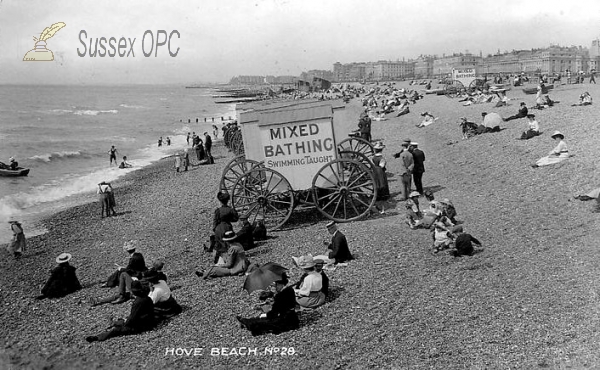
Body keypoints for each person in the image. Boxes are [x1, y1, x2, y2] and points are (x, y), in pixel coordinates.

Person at [85, 280, 155, 343]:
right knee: (123, 320)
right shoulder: (146, 297)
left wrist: (126, 323)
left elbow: (133, 318)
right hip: (148, 321)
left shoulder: (138, 301)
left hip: (143, 326)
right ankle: (115, 323)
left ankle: (98, 337)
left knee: (117, 330)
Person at [92, 241, 148, 305]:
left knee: (122, 274)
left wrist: (121, 268)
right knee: (120, 273)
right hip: (139, 282)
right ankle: (100, 299)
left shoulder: (133, 259)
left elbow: (129, 270)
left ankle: (108, 289)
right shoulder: (139, 255)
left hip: (137, 283)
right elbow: (131, 269)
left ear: (127, 251)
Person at [211, 191, 239, 263]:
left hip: (218, 228)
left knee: (218, 244)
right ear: (227, 201)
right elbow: (236, 219)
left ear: (221, 202)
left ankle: (217, 259)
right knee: (228, 244)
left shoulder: (218, 210)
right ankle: (229, 259)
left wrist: (215, 229)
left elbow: (215, 220)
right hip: (227, 227)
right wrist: (229, 219)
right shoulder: (230, 210)